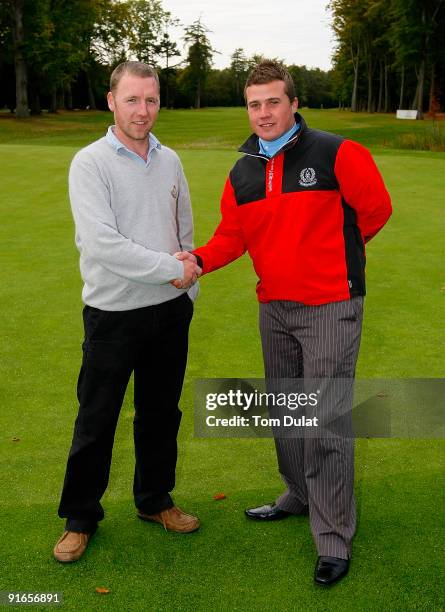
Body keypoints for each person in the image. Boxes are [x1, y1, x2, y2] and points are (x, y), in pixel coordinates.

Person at [174, 60, 392, 586]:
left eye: (274, 101)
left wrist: (334, 258)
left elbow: (376, 209)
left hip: (330, 305)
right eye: (255, 104)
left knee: (325, 422)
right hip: (274, 307)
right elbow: (232, 236)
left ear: (293, 103)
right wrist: (198, 260)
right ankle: (298, 493)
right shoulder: (243, 171)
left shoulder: (339, 152)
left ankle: (334, 533)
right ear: (246, 108)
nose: (264, 113)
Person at [54, 61, 202, 564]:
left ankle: (154, 499)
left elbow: (184, 233)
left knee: (162, 413)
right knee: (97, 418)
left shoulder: (171, 160)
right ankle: (80, 516)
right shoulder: (90, 162)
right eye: (133, 100)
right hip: (114, 314)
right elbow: (101, 245)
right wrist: (170, 269)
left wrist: (186, 289)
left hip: (168, 312)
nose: (143, 111)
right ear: (111, 101)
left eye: (152, 100)